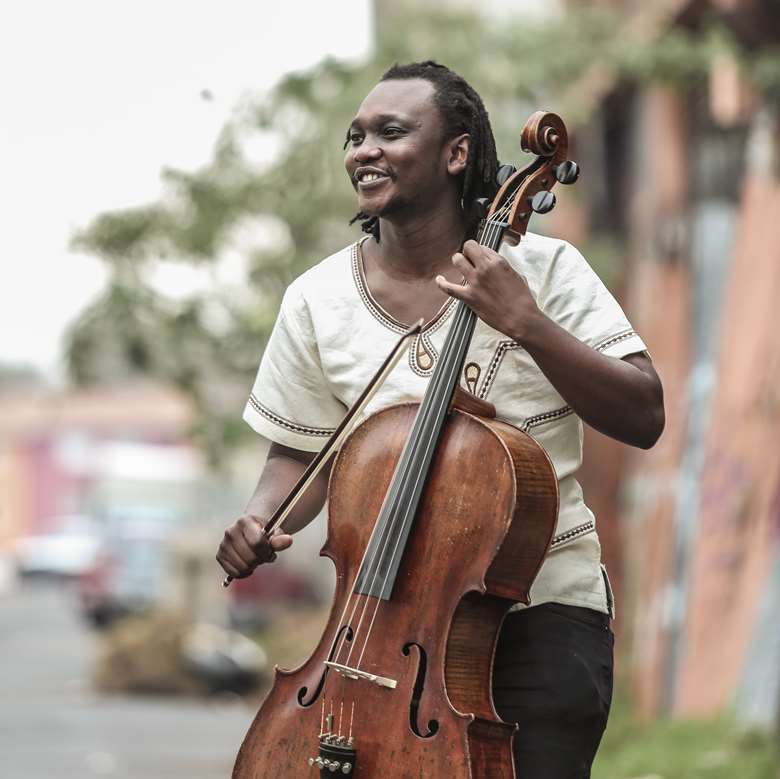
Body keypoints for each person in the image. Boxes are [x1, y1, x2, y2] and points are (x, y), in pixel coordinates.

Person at [217, 60, 664, 777]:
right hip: (378, 628)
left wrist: (527, 323)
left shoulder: (546, 272)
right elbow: (297, 455)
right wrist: (261, 516)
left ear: (456, 153)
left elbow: (644, 412)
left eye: (391, 132)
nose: (364, 150)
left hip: (540, 616)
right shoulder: (316, 299)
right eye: (355, 137)